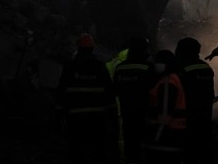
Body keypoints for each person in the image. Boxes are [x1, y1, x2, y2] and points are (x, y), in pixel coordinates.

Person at [56, 33, 119, 164]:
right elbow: (109, 92)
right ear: (92, 48)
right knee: (97, 149)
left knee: (77, 150)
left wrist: (57, 114)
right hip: (97, 117)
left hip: (75, 116)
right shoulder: (100, 67)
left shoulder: (70, 66)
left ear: (78, 48)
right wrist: (113, 118)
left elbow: (61, 90)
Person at [113, 37, 155, 164]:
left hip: (126, 112)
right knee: (147, 144)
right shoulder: (148, 67)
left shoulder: (120, 68)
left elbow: (115, 90)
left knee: (130, 143)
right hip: (145, 113)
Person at [175, 37, 215, 164]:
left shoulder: (181, 69)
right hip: (205, 114)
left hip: (187, 117)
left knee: (189, 152)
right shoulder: (206, 67)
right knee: (204, 148)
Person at [143, 50, 187, 164]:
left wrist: (156, 136)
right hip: (175, 131)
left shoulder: (167, 82)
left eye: (159, 62)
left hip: (167, 134)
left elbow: (165, 112)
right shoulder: (172, 78)